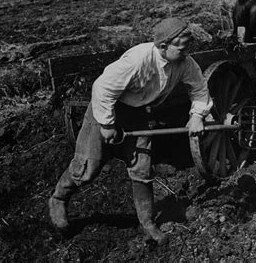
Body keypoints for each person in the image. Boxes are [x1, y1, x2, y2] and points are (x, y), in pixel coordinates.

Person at [48, 17, 213, 244]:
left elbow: (200, 89)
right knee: (88, 166)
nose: (186, 52)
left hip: (136, 114)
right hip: (106, 109)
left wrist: (196, 116)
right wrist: (107, 124)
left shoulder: (185, 63)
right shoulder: (138, 60)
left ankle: (147, 222)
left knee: (142, 168)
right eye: (182, 47)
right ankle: (58, 198)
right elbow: (102, 88)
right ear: (163, 46)